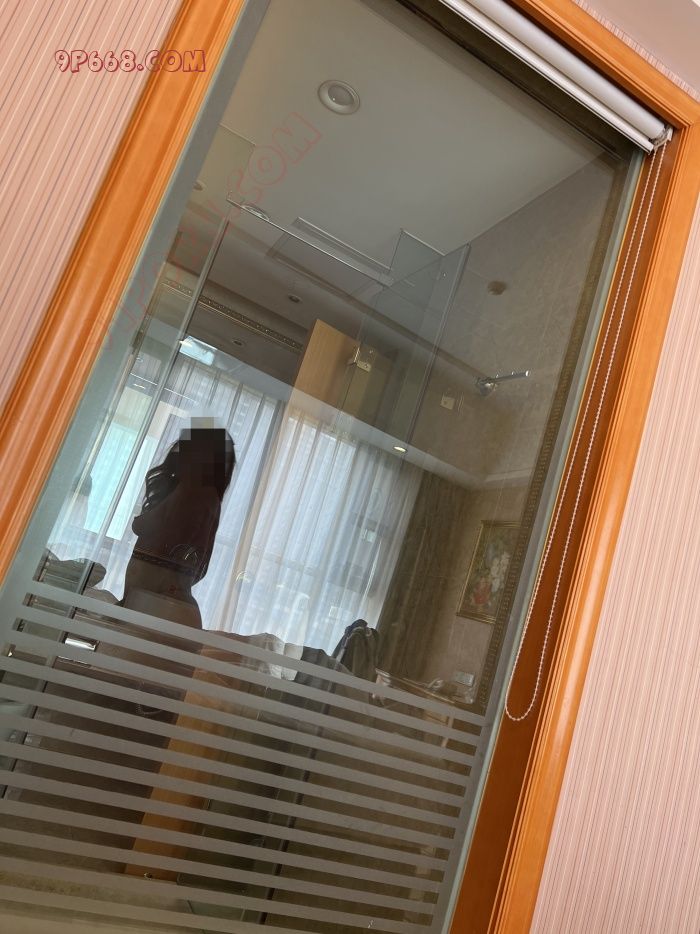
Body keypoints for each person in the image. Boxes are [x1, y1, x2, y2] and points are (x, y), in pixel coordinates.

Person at [121, 426, 235, 629]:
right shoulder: (208, 497)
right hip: (164, 594)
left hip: (157, 594)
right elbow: (199, 562)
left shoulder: (193, 491)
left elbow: (142, 526)